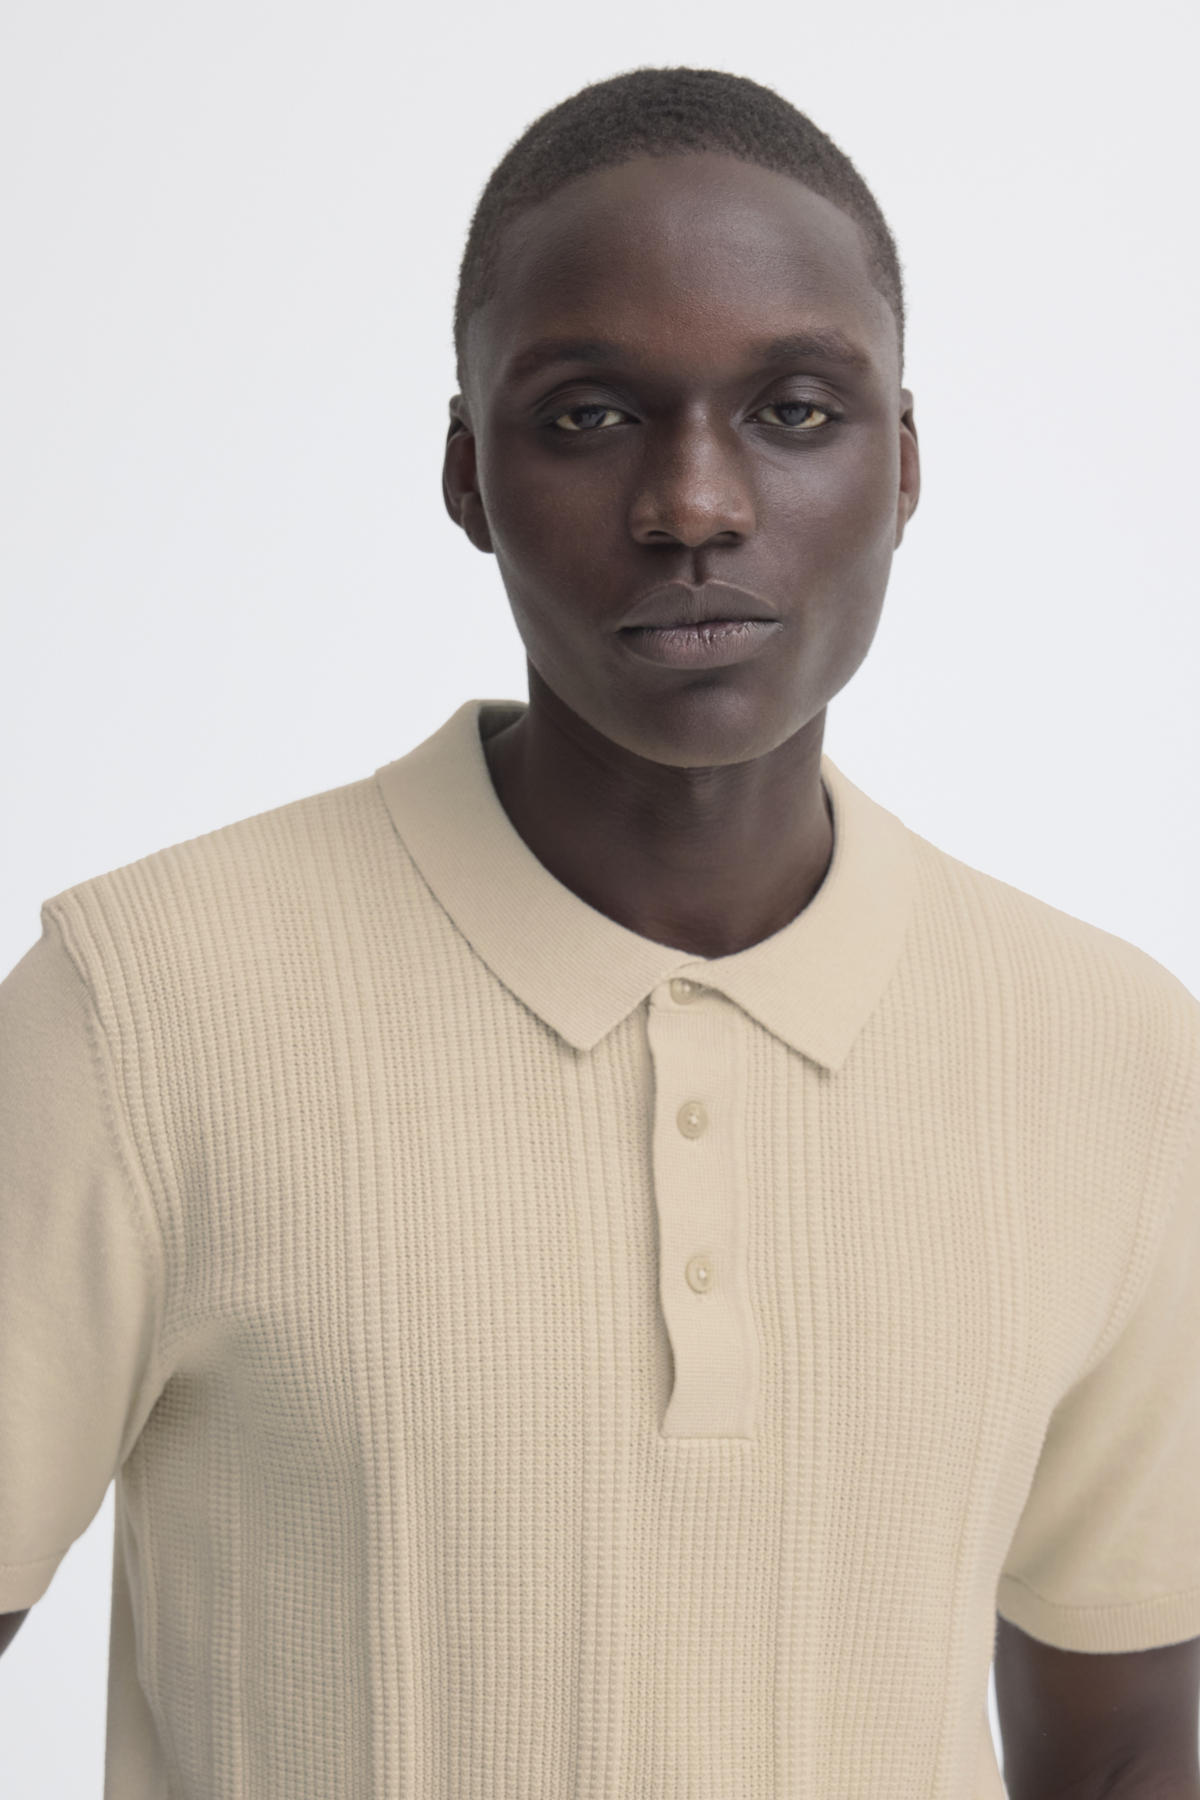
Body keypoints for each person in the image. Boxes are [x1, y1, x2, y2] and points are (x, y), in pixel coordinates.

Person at [1, 65, 1198, 1800]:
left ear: (904, 465)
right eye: (587, 416)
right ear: (468, 474)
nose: (694, 503)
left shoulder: (1115, 1057)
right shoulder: (139, 1011)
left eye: (795, 409)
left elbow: (1131, 1742)